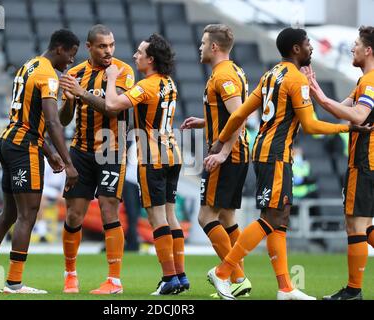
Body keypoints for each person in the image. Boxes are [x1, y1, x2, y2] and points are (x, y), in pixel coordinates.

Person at [203, 27, 360, 300]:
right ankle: (223, 271)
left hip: (266, 151)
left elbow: (240, 113)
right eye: (308, 43)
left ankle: (285, 287)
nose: (311, 47)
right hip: (275, 154)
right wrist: (348, 129)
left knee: (280, 222)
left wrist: (221, 142)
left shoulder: (270, 75)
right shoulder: (296, 80)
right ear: (296, 49)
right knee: (271, 218)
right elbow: (310, 126)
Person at [0, 29, 80, 294]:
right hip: (23, 147)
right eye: (71, 55)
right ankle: (14, 282)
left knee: (10, 213)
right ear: (60, 49)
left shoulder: (28, 67)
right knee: (27, 215)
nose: (71, 62)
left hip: (8, 141)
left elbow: (27, 119)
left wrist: (49, 152)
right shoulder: (48, 75)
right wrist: (68, 162)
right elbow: (52, 122)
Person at [105, 33, 189, 295]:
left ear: (151, 59)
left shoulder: (146, 86)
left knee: (156, 218)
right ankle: (180, 275)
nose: (135, 56)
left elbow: (111, 105)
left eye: (140, 53)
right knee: (171, 215)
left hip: (151, 157)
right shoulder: (169, 84)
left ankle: (168, 279)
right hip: (173, 154)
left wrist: (110, 79)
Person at [58, 24, 135, 295]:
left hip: (113, 150)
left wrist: (81, 94)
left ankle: (114, 281)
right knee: (74, 213)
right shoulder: (75, 73)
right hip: (80, 150)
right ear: (89, 47)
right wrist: (69, 100)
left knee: (108, 209)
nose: (108, 51)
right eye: (102, 46)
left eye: (111, 45)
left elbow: (113, 108)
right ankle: (70, 275)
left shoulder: (123, 71)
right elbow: (64, 118)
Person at [303, 25, 374, 300]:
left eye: (356, 44)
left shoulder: (369, 82)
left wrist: (319, 95)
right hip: (363, 161)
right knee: (361, 227)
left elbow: (357, 115)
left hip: (365, 161)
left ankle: (354, 291)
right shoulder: (363, 82)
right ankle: (353, 289)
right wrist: (315, 89)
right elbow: (338, 109)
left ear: (368, 50)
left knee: (356, 226)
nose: (352, 48)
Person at [180, 24, 251, 298]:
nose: (199, 48)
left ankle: (237, 276)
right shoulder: (233, 71)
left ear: (213, 47)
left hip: (228, 155)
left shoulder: (224, 76)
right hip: (235, 153)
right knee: (228, 219)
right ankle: (238, 281)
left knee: (205, 216)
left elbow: (239, 117)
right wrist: (205, 122)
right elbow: (228, 115)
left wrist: (221, 152)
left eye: (202, 43)